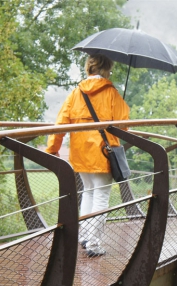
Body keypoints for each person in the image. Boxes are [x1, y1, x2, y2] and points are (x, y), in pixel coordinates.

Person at [45, 54, 130, 257]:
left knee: (88, 193)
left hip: (80, 154)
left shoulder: (76, 92)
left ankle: (85, 236)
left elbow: (61, 122)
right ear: (107, 69)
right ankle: (94, 243)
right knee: (101, 196)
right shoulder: (111, 93)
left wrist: (52, 148)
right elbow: (123, 126)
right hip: (102, 153)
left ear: (89, 68)